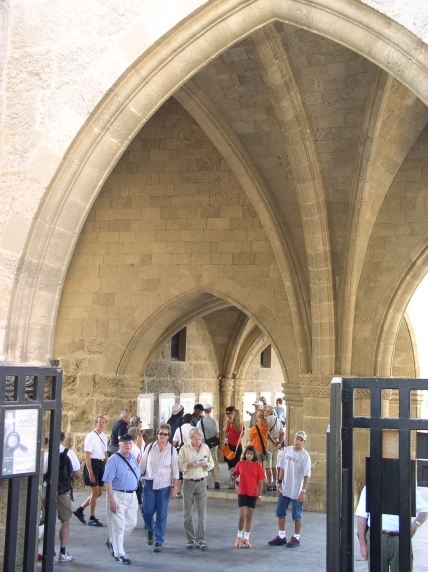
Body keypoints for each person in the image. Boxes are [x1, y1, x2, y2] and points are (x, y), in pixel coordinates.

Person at [356, 485, 428, 571]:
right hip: (376, 537)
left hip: (399, 538)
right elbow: (362, 517)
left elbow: (424, 510)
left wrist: (415, 525)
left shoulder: (405, 486)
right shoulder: (370, 487)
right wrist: (362, 544)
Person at [140, 423, 179, 553]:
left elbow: (175, 470)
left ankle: (158, 540)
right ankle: (150, 529)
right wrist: (137, 478)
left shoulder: (172, 450)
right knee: (146, 510)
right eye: (160, 433)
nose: (162, 436)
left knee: (162, 514)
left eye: (165, 434)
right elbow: (142, 464)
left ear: (169, 436)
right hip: (150, 482)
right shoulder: (150, 447)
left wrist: (174, 487)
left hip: (164, 485)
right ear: (157, 434)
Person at [268, 430, 311, 548]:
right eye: (297, 439)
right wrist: (279, 482)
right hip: (285, 487)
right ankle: (281, 536)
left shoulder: (305, 456)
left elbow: (306, 475)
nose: (298, 442)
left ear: (304, 442)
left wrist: (303, 491)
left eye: (301, 440)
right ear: (293, 439)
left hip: (297, 489)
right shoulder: (287, 451)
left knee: (297, 514)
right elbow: (282, 468)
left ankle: (296, 537)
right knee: (280, 512)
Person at [43, 431, 81, 563]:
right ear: (62, 440)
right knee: (65, 520)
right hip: (63, 490)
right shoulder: (69, 453)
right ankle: (63, 552)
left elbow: (41, 473)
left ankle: (50, 553)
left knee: (48, 521)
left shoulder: (46, 454)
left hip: (47, 489)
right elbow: (78, 474)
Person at [104, 433, 140, 565]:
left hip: (132, 495)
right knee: (119, 525)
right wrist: (112, 500)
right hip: (118, 494)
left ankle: (112, 541)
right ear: (120, 445)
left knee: (132, 523)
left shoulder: (132, 457)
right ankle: (119, 553)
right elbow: (108, 481)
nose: (128, 445)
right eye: (125, 443)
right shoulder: (114, 459)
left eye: (130, 443)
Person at [178, 428, 214, 550]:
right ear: (190, 439)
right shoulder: (184, 449)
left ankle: (201, 539)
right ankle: (190, 539)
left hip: (201, 482)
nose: (198, 442)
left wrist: (206, 465)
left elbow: (212, 463)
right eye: (195, 439)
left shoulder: (205, 448)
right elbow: (180, 466)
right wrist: (189, 464)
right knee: (187, 513)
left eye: (199, 439)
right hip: (188, 482)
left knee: (202, 512)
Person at [73, 415, 108, 527]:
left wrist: (107, 466)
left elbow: (105, 453)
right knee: (95, 492)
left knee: (99, 492)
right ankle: (92, 517)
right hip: (92, 464)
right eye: (100, 422)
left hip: (100, 464)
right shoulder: (90, 436)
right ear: (95, 423)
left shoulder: (104, 436)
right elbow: (87, 456)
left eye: (104, 422)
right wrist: (90, 472)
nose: (102, 424)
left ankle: (80, 510)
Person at [230, 445, 265, 549]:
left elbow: (261, 482)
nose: (249, 455)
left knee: (249, 516)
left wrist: (259, 496)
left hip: (253, 493)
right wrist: (232, 474)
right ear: (245, 454)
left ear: (254, 455)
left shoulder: (258, 466)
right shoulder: (240, 464)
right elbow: (234, 477)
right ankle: (239, 537)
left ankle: (246, 538)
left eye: (251, 454)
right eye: (248, 453)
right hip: (242, 492)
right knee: (242, 515)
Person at [197, 404, 220, 489]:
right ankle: (217, 481)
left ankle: (206, 482)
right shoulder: (215, 421)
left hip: (203, 446)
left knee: (204, 462)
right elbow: (217, 434)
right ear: (210, 411)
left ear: (203, 411)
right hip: (213, 446)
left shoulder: (199, 422)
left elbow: (198, 434)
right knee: (214, 462)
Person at [172, 413, 193, 497]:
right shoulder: (194, 429)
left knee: (180, 472)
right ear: (191, 420)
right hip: (192, 452)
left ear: (183, 420)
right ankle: (191, 492)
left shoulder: (179, 429)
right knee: (191, 471)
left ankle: (178, 491)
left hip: (181, 452)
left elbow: (174, 442)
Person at [263, 404, 284, 490]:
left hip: (268, 443)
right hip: (276, 442)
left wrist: (273, 442)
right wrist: (279, 443)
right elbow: (282, 433)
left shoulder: (266, 420)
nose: (264, 412)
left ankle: (269, 484)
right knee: (274, 465)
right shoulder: (278, 420)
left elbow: (266, 433)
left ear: (268, 412)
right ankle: (275, 483)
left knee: (268, 465)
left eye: (265, 411)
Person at [225, 407, 245, 488]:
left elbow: (226, 435)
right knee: (236, 465)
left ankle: (233, 482)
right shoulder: (241, 424)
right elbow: (242, 434)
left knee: (230, 465)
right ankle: (235, 480)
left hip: (230, 446)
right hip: (238, 446)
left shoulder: (229, 424)